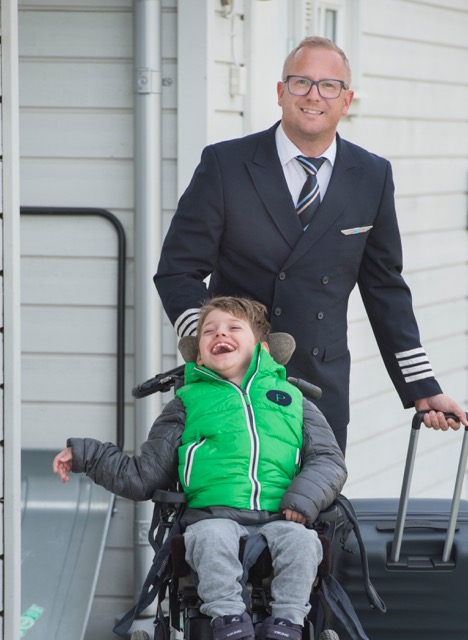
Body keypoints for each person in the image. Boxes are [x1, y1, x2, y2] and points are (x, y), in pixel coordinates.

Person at [154, 36, 467, 454]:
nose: (314, 95)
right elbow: (178, 271)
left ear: (346, 100)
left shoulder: (371, 175)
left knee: (317, 494)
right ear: (280, 92)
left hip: (321, 392)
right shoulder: (225, 165)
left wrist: (421, 385)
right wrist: (210, 345)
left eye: (329, 85)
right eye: (301, 82)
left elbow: (385, 289)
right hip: (232, 387)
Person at [53, 296, 347, 640]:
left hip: (282, 516)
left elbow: (328, 459)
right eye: (209, 331)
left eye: (233, 327)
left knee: (303, 542)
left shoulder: (294, 401)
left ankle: (287, 625)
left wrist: (303, 499)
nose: (220, 334)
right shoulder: (186, 404)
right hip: (212, 515)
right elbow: (143, 475)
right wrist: (87, 455)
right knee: (209, 538)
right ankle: (230, 623)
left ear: (263, 348)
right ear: (199, 356)